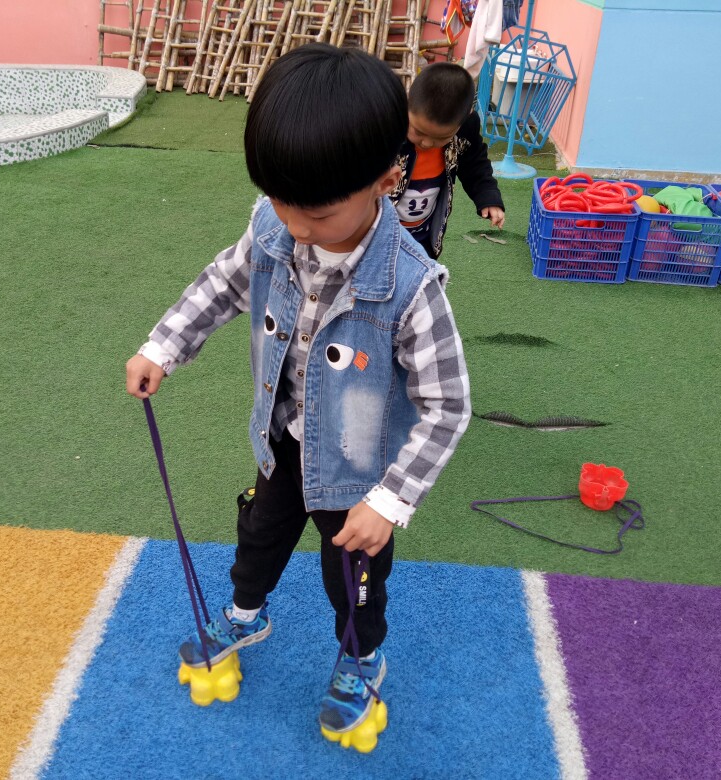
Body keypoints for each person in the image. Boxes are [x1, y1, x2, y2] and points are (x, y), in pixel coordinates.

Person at [125, 44, 471, 739]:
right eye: (281, 202)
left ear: (387, 179)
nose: (296, 228)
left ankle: (361, 657)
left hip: (359, 475)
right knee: (258, 535)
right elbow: (223, 283)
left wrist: (389, 500)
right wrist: (164, 345)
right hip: (283, 439)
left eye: (317, 213)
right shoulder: (273, 228)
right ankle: (244, 615)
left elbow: (448, 405)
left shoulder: (412, 287)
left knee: (353, 581)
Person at [391, 61, 505, 259]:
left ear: (464, 119)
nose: (427, 143)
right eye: (418, 132)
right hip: (380, 229)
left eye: (441, 138)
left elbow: (475, 165)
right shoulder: (389, 125)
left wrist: (488, 197)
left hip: (424, 233)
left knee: (421, 268)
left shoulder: (466, 129)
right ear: (407, 103)